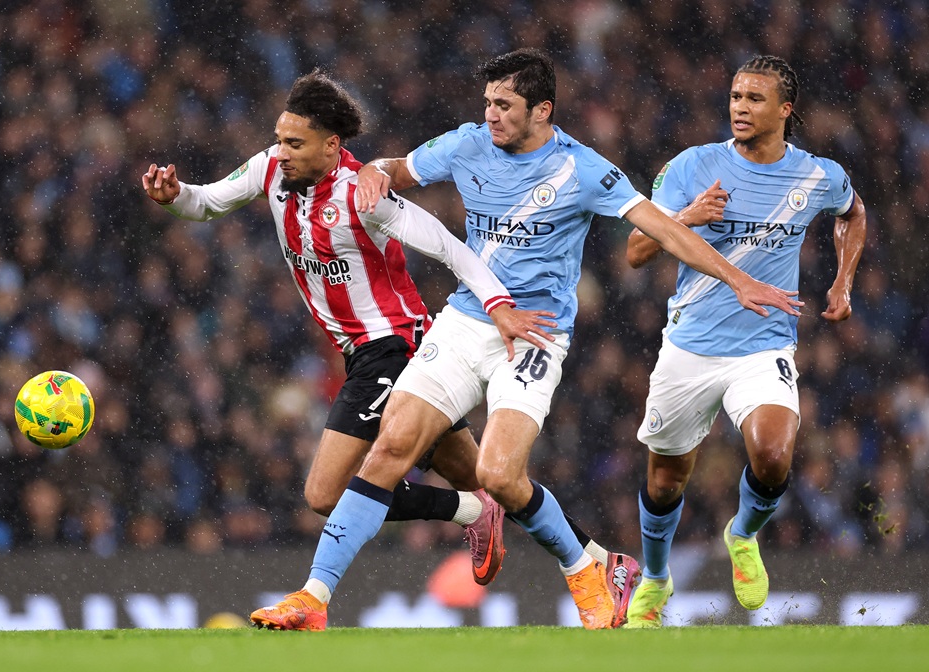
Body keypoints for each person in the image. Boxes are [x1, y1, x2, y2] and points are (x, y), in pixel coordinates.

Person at [250, 49, 802, 631]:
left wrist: (739, 279)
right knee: (391, 448)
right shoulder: (466, 143)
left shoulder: (584, 169)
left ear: (542, 110)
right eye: (487, 102)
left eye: (504, 105)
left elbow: (661, 228)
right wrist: (372, 169)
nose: (490, 115)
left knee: (498, 476)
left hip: (534, 334)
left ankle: (586, 567)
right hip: (464, 321)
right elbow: (397, 167)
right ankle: (313, 598)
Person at [142, 71, 560, 588]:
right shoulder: (271, 169)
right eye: (279, 139)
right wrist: (174, 193)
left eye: (295, 142)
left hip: (394, 346)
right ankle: (589, 560)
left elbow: (448, 245)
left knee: (324, 493)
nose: (283, 151)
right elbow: (207, 202)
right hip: (364, 352)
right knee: (489, 482)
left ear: (331, 145)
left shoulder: (364, 193)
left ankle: (477, 519)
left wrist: (498, 305)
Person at [621, 55, 866, 628]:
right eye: (735, 96)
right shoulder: (693, 166)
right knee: (664, 482)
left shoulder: (816, 176)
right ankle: (656, 579)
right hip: (690, 347)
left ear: (785, 110)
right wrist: (686, 216)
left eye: (755, 99)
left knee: (775, 454)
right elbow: (635, 251)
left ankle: (743, 533)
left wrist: (842, 279)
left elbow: (853, 213)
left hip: (764, 347)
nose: (739, 107)